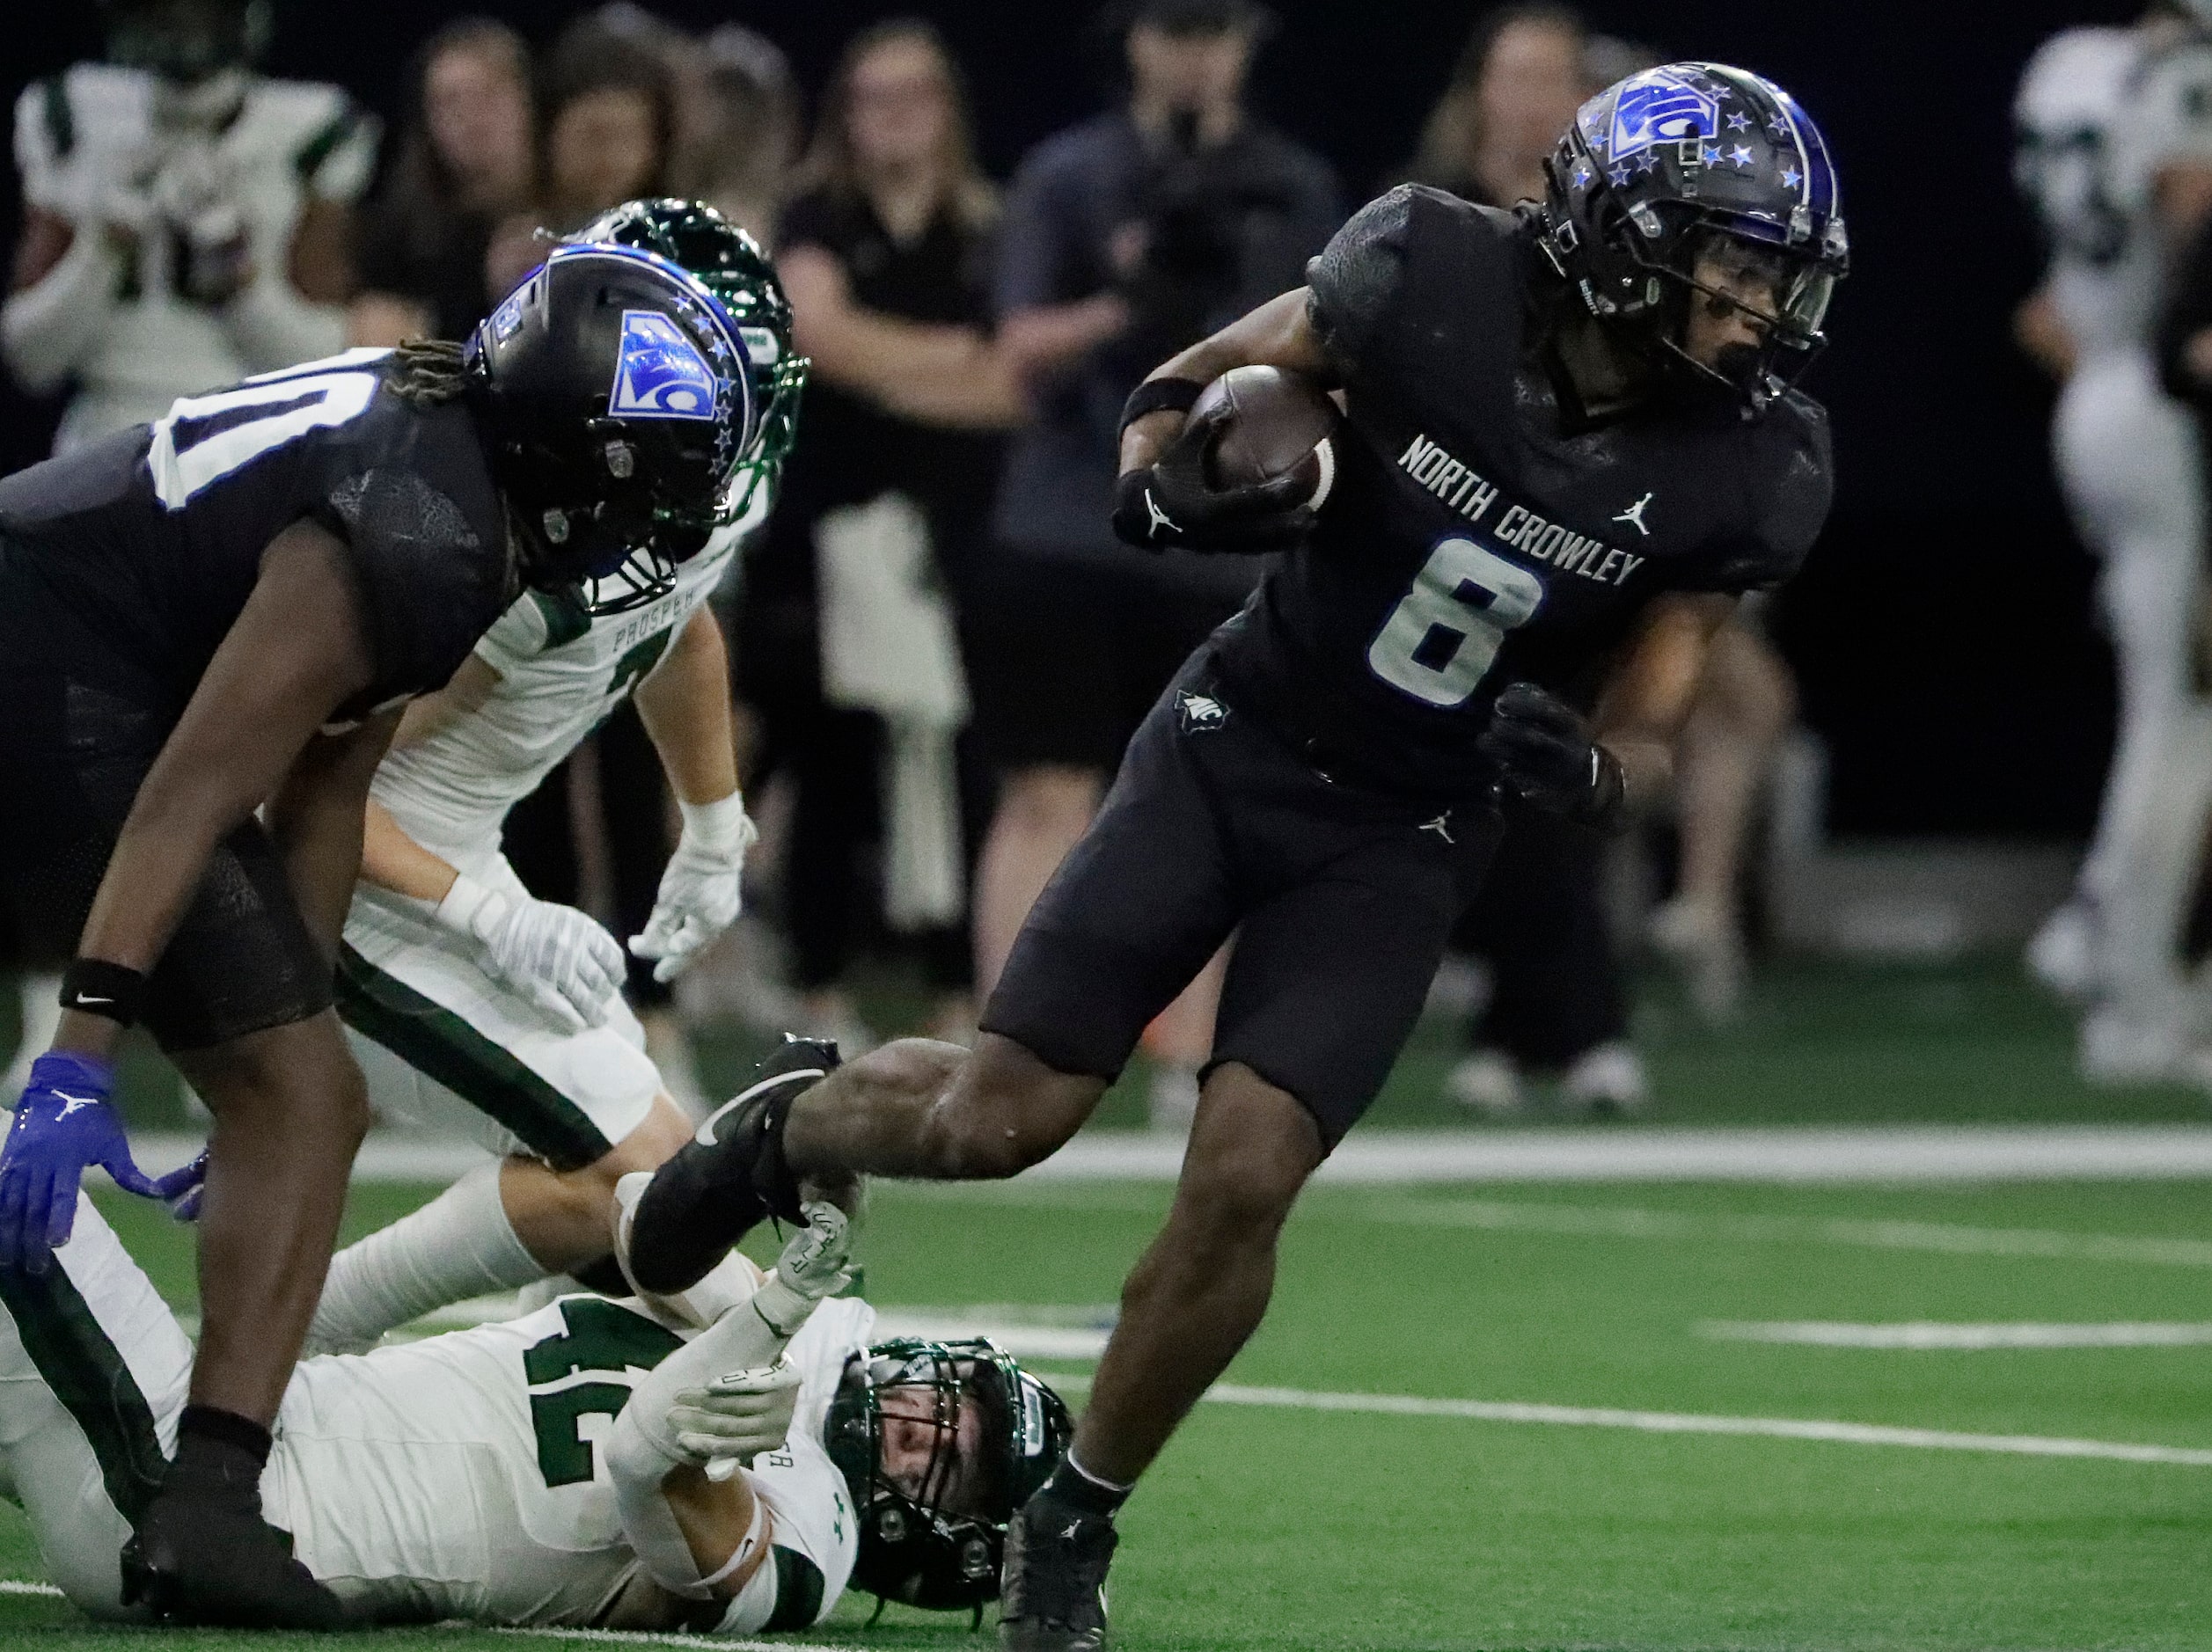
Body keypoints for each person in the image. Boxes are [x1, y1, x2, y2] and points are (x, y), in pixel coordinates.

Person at [623, 62, 1844, 1649]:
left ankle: (1074, 1509)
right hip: (1239, 738)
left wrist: (1593, 766)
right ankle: (789, 1123)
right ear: (1621, 234)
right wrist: (1169, 490)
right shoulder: (1426, 269)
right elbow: (1172, 389)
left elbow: (1655, 731)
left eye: (1773, 274)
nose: (1758, 310)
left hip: (1405, 823)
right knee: (1005, 1119)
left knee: (1246, 1172)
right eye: (1734, 265)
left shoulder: (1751, 461)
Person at [0, 238, 768, 1626]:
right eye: (656, 481)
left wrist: (274, 1015)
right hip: (51, 675)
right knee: (305, 1097)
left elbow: (326, 775)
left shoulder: (455, 464)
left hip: (73, 658)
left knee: (307, 1092)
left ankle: (211, 1496)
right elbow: (195, 783)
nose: (666, 520)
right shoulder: (422, 524)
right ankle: (212, 1506)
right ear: (581, 457)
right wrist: (81, 1051)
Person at [308, 200, 808, 1354]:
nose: (721, 444)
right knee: (641, 1167)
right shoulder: (493, 537)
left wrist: (714, 822)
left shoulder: (680, 483)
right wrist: (483, 917)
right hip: (348, 869)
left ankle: (475, 1394)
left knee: (621, 1181)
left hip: (442, 847)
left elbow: (677, 621)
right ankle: (282, 1348)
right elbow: (303, 786)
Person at [0, 1186, 1073, 1633]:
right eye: (953, 1398)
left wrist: (763, 1317)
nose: (927, 1426)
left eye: (957, 1464)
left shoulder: (816, 1550)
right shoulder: (788, 1343)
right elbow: (553, 1192)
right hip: (233, 1432)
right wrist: (706, 1201)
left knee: (15, 1160)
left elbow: (647, 1456)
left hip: (201, 1510)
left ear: (947, 1551)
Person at [972, 0, 1339, 1122]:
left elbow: (1339, 354)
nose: (1194, 52)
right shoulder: (1071, 175)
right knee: (1049, 790)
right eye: (1176, 27)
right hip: (1072, 516)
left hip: (1222, 536)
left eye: (1215, 28)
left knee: (1216, 803)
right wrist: (1125, 306)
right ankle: (1009, 1048)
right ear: (1133, 38)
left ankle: (1184, 1059)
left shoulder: (1293, 183)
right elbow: (1016, 348)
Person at [2, 0, 377, 1094]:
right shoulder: (71, 111)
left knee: (260, 751)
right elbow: (30, 348)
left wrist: (237, 281)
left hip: (247, 457)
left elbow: (325, 347)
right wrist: (100, 253)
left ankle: (270, 1022)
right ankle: (57, 1017)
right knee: (61, 751)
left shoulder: (312, 126)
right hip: (104, 452)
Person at [745, 19, 1022, 1053]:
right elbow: (816, 334)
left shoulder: (990, 226)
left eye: (913, 97)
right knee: (831, 759)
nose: (893, 119)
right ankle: (819, 988)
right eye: (872, 98)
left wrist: (895, 363)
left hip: (952, 533)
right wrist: (953, 362)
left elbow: (1013, 386)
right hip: (828, 530)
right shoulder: (816, 217)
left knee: (960, 758)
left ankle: (959, 989)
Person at [2015, 8, 2212, 1080]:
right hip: (2161, 399)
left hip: (2097, 385)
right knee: (2180, 718)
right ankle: (2116, 950)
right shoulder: (2184, 75)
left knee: (2174, 714)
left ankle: (2132, 960)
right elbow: (2192, 241)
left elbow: (2047, 304)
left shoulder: (2068, 67)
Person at [348, 18, 534, 348]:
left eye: (486, 96)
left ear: (525, 100)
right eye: (450, 102)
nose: (470, 117)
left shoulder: (570, 203)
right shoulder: (404, 235)